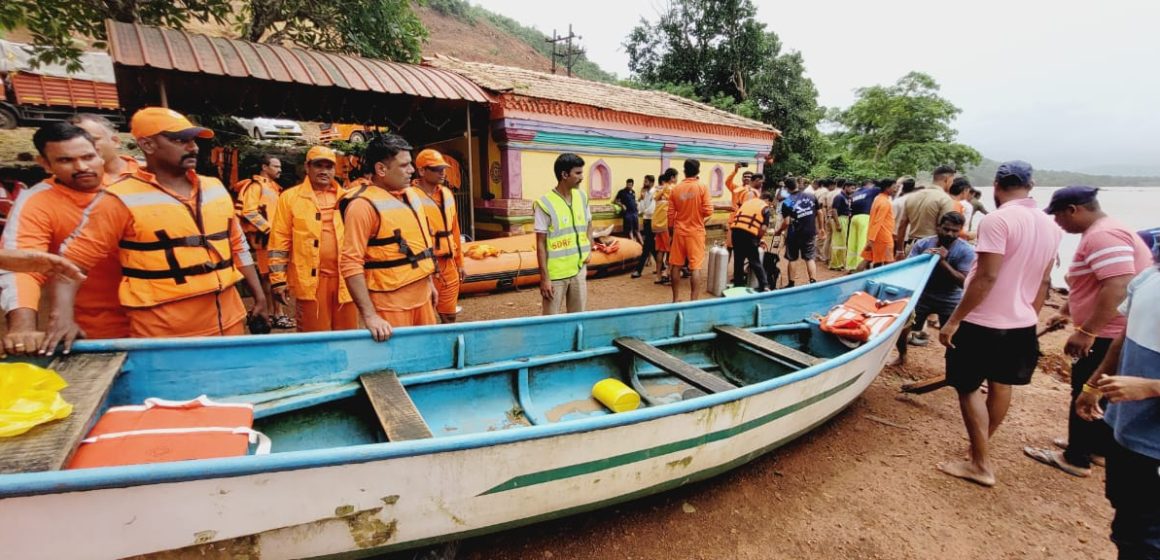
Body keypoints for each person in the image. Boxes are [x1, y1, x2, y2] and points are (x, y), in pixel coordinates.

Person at [46, 107, 268, 352]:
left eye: (192, 140)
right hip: (165, 333)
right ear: (147, 145)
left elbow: (237, 245)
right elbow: (71, 265)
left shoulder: (214, 187)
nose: (192, 147)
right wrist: (63, 319)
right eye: (179, 140)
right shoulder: (118, 199)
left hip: (229, 322)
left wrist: (259, 296)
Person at [936, 160, 1062, 487]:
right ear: (1031, 187)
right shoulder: (1051, 225)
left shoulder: (998, 219)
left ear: (996, 185)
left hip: (983, 320)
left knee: (966, 387)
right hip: (1020, 321)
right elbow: (1045, 281)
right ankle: (979, 449)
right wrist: (1030, 317)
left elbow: (986, 277)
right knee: (1000, 384)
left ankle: (980, 463)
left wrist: (954, 320)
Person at [1024, 186, 1152, 477]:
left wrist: (1088, 331)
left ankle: (1076, 456)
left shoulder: (1102, 236)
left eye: (1058, 216)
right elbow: (1093, 282)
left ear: (1073, 210)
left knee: (1087, 386)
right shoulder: (1107, 230)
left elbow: (1118, 285)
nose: (1057, 223)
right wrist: (1066, 311)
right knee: (1103, 389)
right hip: (1115, 328)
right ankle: (1096, 447)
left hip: (1110, 332)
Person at [1, 123, 130, 356]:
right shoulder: (36, 203)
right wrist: (23, 328)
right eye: (65, 161)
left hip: (153, 317)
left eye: (88, 157)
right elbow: (23, 266)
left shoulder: (134, 186)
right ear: (45, 164)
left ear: (100, 155)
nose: (82, 167)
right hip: (88, 328)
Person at [1075, 254, 1160, 559]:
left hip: (1154, 447)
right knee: (1127, 528)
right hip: (1124, 430)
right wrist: (1092, 385)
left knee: (1148, 540)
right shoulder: (1149, 276)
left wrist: (1149, 387)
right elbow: (1123, 339)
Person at [340, 134, 439, 341]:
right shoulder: (362, 206)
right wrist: (370, 315)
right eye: (404, 165)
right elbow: (350, 263)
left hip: (422, 297)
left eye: (410, 164)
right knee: (399, 363)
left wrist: (428, 282)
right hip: (390, 305)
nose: (412, 170)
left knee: (426, 354)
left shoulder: (411, 194)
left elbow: (419, 244)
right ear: (381, 169)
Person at [268, 146, 355, 333]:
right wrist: (278, 280)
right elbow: (279, 241)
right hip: (311, 283)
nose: (324, 171)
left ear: (335, 170)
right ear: (307, 167)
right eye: (318, 165)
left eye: (329, 166)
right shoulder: (289, 198)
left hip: (346, 280)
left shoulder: (348, 198)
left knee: (348, 339)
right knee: (314, 339)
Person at [891, 212, 975, 366]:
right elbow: (909, 271)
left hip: (950, 298)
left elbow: (963, 282)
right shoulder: (923, 244)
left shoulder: (966, 251)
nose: (950, 234)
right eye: (946, 229)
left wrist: (942, 262)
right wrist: (922, 259)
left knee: (955, 337)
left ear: (960, 230)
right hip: (922, 295)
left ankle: (954, 367)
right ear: (938, 227)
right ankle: (902, 356)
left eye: (955, 231)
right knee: (902, 328)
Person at [234, 154, 292, 329]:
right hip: (267, 239)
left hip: (275, 240)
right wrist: (270, 230)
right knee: (270, 277)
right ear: (264, 167)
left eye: (280, 166)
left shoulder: (274, 188)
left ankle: (275, 313)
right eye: (275, 166)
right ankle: (276, 314)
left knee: (274, 276)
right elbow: (249, 212)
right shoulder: (256, 186)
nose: (279, 169)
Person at [534, 153, 593, 315]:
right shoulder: (544, 204)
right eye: (578, 173)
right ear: (564, 175)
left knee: (577, 318)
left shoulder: (582, 197)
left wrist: (589, 248)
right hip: (555, 275)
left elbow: (589, 224)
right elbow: (540, 243)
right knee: (551, 322)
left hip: (579, 270)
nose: (582, 177)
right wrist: (545, 278)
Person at [412, 149, 464, 323]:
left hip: (448, 264)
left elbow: (455, 230)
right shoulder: (409, 197)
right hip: (424, 265)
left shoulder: (447, 194)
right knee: (424, 318)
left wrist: (460, 262)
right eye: (436, 168)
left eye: (443, 168)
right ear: (421, 171)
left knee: (449, 315)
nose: (442, 172)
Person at [667, 159, 712, 303]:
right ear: (698, 171)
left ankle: (675, 299)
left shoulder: (676, 188)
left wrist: (671, 231)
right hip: (696, 232)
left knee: (675, 265)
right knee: (695, 267)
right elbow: (708, 210)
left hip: (679, 231)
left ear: (684, 171)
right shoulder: (702, 187)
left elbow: (670, 214)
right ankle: (693, 301)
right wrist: (698, 216)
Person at [897, 165, 958, 260]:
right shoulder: (944, 199)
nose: (952, 183)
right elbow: (946, 229)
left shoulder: (912, 197)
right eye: (952, 180)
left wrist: (900, 250)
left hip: (911, 246)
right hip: (932, 248)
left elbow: (902, 225)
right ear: (947, 179)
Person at [66, 113, 140, 182]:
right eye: (76, 144)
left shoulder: (145, 171)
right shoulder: (68, 182)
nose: (84, 148)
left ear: (115, 141)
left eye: (91, 140)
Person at [777, 178, 819, 286]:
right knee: (809, 258)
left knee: (792, 258)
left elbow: (786, 222)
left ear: (786, 188)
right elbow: (820, 212)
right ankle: (813, 281)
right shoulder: (811, 196)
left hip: (794, 233)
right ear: (797, 184)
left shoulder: (787, 201)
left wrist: (779, 231)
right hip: (809, 231)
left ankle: (791, 283)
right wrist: (821, 228)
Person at [730, 191, 774, 291]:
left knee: (738, 260)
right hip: (749, 234)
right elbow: (763, 228)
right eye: (770, 203)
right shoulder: (765, 208)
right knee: (755, 261)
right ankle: (765, 286)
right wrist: (758, 239)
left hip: (735, 232)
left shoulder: (747, 202)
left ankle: (738, 285)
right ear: (767, 200)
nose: (770, 205)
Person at [859, 178, 899, 269]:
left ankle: (854, 279)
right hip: (883, 237)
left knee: (869, 259)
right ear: (887, 188)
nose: (896, 190)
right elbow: (878, 221)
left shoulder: (878, 198)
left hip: (877, 235)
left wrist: (870, 238)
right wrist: (871, 240)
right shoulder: (884, 202)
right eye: (894, 187)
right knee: (887, 262)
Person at [844, 179, 879, 271]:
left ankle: (850, 266)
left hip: (854, 218)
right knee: (862, 242)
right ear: (869, 184)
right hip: (865, 217)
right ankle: (860, 267)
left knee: (852, 243)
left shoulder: (855, 193)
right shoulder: (872, 190)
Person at [651, 168, 677, 284]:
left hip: (657, 225)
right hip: (667, 225)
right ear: (672, 177)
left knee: (660, 250)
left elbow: (656, 199)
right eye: (676, 177)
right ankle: (668, 274)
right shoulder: (672, 189)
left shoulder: (658, 188)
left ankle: (658, 276)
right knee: (671, 251)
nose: (676, 179)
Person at [632, 174, 656, 279]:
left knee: (647, 246)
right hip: (646, 220)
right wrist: (641, 199)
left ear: (651, 182)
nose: (644, 183)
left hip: (652, 221)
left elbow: (651, 209)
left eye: (646, 182)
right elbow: (640, 208)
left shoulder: (655, 193)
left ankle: (638, 270)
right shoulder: (645, 193)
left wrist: (643, 212)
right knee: (652, 246)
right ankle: (663, 266)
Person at [829, 179, 855, 270]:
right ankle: (835, 264)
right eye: (852, 188)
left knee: (843, 243)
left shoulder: (847, 197)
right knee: (837, 243)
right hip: (840, 219)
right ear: (846, 187)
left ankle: (840, 263)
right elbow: (834, 210)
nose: (853, 190)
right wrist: (837, 224)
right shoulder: (839, 197)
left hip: (845, 219)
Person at [613, 178, 641, 244]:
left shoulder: (633, 192)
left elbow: (634, 201)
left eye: (630, 185)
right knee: (630, 230)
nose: (629, 186)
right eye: (628, 185)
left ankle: (642, 244)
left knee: (637, 230)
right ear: (626, 184)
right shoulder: (622, 192)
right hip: (628, 213)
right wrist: (622, 205)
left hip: (634, 212)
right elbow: (615, 201)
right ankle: (633, 243)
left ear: (632, 185)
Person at [891, 177, 918, 242]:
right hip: (908, 234)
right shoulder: (916, 202)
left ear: (902, 188)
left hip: (895, 234)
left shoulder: (897, 201)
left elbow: (891, 219)